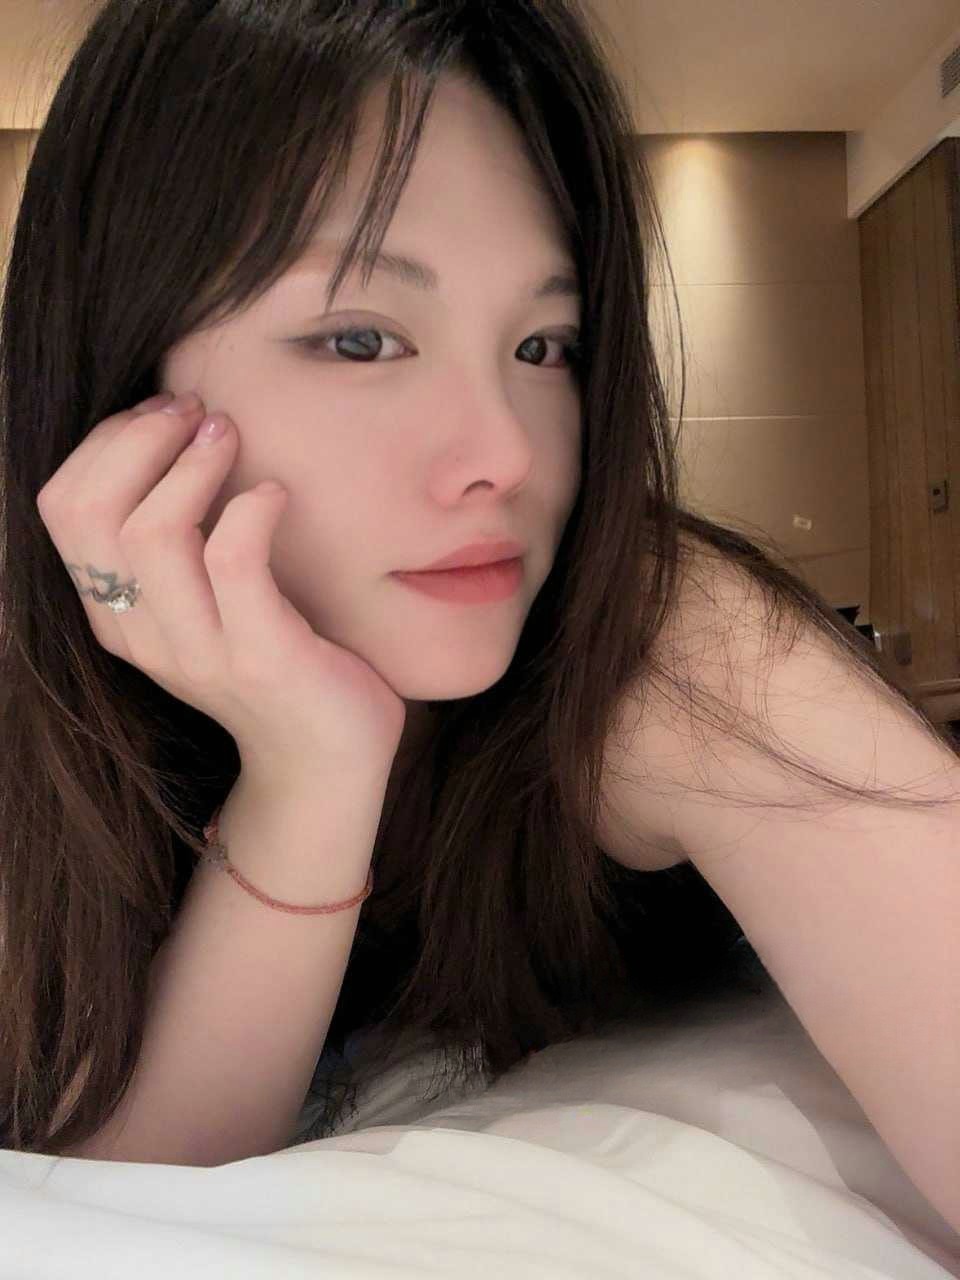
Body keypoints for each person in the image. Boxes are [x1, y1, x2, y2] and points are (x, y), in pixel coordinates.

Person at [2, 0, 954, 1167]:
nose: (506, 451)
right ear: (120, 374)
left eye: (544, 346)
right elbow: (113, 1205)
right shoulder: (41, 731)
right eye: (361, 339)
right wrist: (314, 769)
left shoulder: (657, 646)